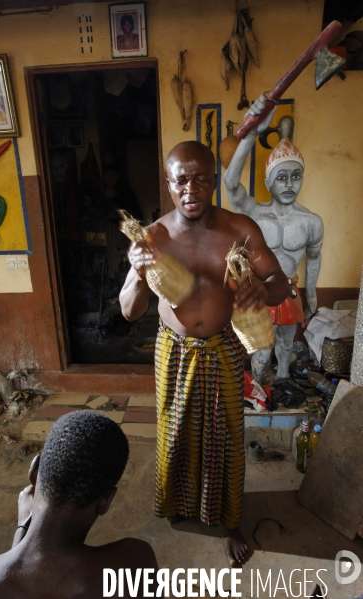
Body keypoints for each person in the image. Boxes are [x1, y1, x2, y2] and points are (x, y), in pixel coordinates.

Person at [119, 139, 290, 566]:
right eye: (181, 181)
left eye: (200, 179)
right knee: (174, 432)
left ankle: (229, 523)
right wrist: (140, 274)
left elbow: (282, 284)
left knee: (225, 436)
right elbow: (129, 310)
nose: (190, 189)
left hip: (224, 348)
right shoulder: (153, 237)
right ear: (169, 184)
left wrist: (260, 289)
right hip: (172, 349)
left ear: (213, 181)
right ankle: (177, 503)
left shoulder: (240, 230)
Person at [0, 411, 157, 598]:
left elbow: (18, 577)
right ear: (105, 501)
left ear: (33, 471)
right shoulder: (135, 564)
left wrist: (21, 530)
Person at [225, 96, 324, 382]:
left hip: (290, 290)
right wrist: (252, 132)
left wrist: (313, 295)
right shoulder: (255, 213)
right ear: (268, 181)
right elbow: (231, 184)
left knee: (285, 343)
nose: (290, 184)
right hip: (260, 291)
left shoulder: (311, 221)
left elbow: (315, 258)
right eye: (281, 177)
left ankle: (282, 382)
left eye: (296, 176)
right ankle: (257, 385)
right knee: (260, 348)